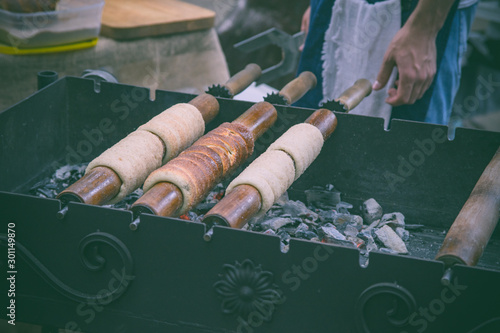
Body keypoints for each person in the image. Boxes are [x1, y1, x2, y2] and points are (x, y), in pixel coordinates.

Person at [295, 0, 478, 126]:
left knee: (405, 155)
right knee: (306, 138)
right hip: (334, 7)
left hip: (422, 15)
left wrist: (425, 26)